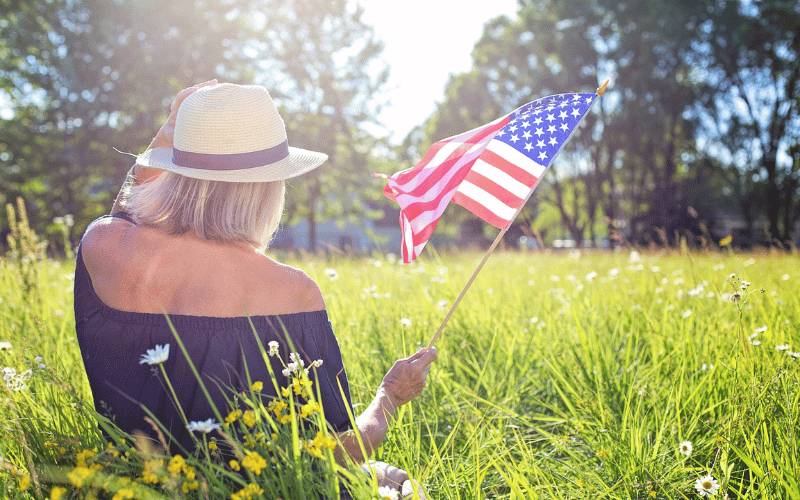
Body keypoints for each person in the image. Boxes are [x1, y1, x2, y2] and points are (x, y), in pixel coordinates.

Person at [74, 80, 437, 498]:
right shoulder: (293, 292)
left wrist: (174, 128)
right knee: (394, 482)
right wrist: (390, 396)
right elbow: (340, 451)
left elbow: (128, 208)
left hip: (131, 486)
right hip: (259, 489)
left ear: (175, 169)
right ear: (268, 188)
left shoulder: (102, 245)